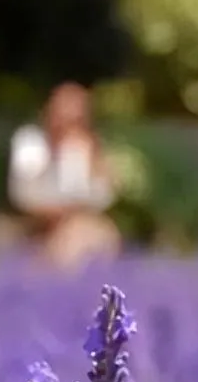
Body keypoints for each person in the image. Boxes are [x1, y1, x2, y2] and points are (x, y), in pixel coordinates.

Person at [7, 82, 120, 267]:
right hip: (37, 220)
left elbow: (101, 194)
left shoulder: (81, 147)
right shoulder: (31, 142)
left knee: (95, 236)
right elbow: (25, 194)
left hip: (75, 221)